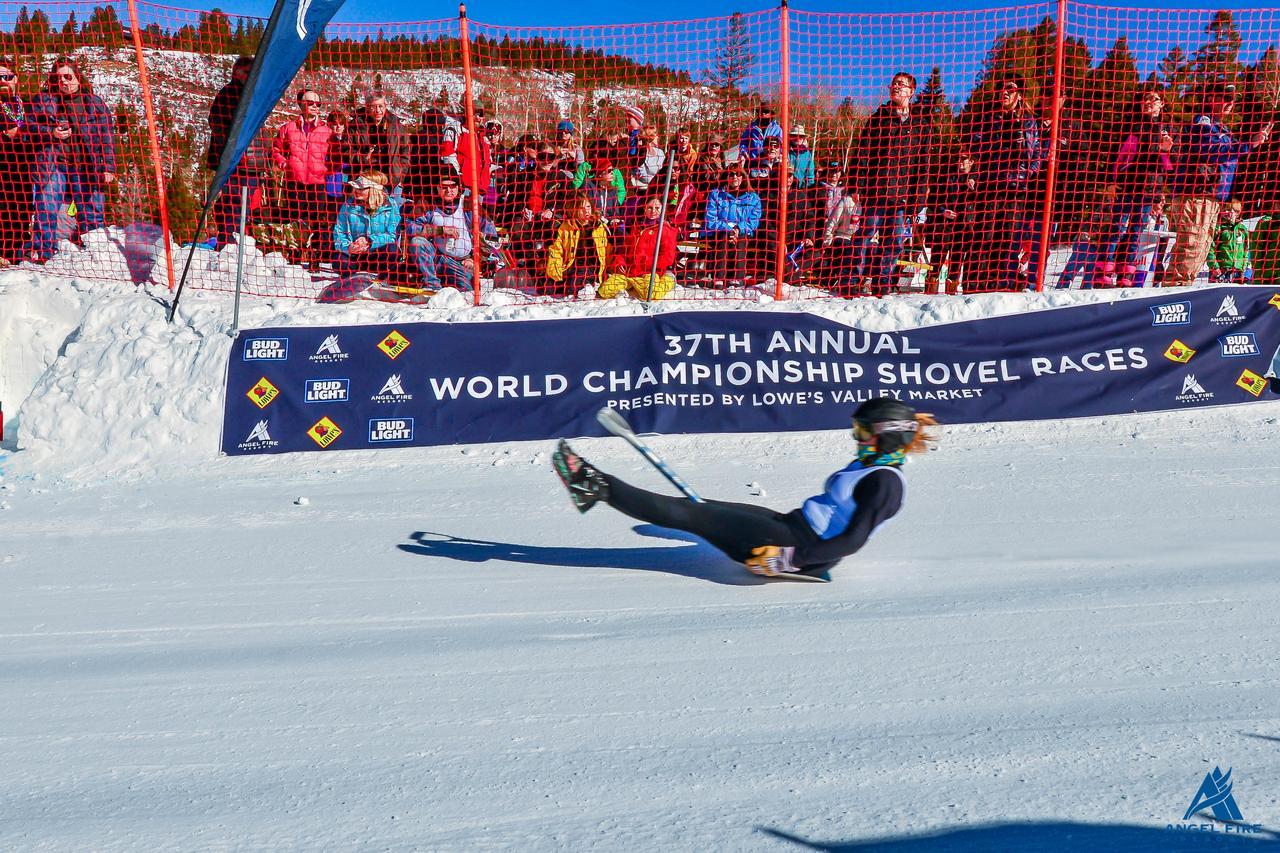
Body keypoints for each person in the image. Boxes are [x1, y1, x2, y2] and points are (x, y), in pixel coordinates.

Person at [551, 399, 938, 580]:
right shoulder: (871, 466)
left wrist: (791, 558)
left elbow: (854, 540)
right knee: (702, 507)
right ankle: (595, 487)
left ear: (886, 436)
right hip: (790, 526)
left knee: (692, 514)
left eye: (863, 432)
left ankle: (595, 486)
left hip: (799, 548)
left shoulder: (885, 482)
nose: (857, 439)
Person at [1168, 81, 1272, 286]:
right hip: (1196, 193)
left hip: (1212, 197)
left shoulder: (1223, 129)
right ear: (1209, 99)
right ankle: (1173, 294)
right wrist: (1248, 144)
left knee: (1202, 246)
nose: (1229, 103)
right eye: (1223, 97)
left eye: (1231, 99)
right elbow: (1210, 150)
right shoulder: (1203, 123)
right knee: (1191, 245)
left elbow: (1230, 162)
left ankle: (1181, 290)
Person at [963, 72, 1049, 292]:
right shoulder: (989, 119)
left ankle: (1004, 286)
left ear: (1019, 94)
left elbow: (1036, 153)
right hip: (990, 186)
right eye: (1002, 88)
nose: (1005, 92)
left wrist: (1029, 172)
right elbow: (975, 148)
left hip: (1016, 190)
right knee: (984, 239)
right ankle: (974, 286)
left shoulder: (1029, 121)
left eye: (1010, 88)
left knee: (1009, 239)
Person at [850, 72, 933, 293]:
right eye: (894, 83)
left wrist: (918, 199)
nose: (895, 87)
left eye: (901, 84)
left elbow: (922, 164)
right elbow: (862, 153)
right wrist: (855, 184)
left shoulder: (921, 125)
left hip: (901, 195)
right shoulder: (878, 118)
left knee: (895, 242)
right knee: (865, 234)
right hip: (875, 190)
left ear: (911, 91)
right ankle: (851, 280)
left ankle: (882, 282)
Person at [29, 56, 116, 262]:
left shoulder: (94, 104)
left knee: (92, 211)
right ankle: (44, 255)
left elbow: (107, 136)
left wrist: (109, 167)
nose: (64, 82)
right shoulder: (42, 101)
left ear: (78, 77)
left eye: (68, 76)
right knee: (46, 209)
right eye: (59, 78)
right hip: (53, 165)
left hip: (86, 166)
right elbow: (30, 128)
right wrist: (51, 132)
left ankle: (93, 256)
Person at [1096, 83, 1174, 289]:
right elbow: (1115, 155)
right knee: (1116, 227)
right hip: (1125, 185)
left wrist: (1165, 150)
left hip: (1148, 189)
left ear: (1162, 104)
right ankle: (1104, 272)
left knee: (1136, 231)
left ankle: (1126, 274)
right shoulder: (1129, 125)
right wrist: (1110, 182)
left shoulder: (1167, 129)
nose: (1149, 102)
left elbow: (1168, 166)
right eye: (1146, 99)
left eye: (1154, 99)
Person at [407, 172, 496, 292]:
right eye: (444, 187)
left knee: (468, 290)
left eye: (453, 186)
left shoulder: (469, 205)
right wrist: (439, 230)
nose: (449, 190)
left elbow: (490, 235)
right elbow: (410, 227)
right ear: (437, 188)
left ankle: (447, 281)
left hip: (461, 262)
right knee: (417, 242)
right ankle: (432, 284)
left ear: (459, 187)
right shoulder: (427, 205)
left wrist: (476, 258)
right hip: (437, 258)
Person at [205, 55, 254, 246]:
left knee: (243, 204)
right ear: (237, 72)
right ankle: (229, 240)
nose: (250, 76)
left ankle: (234, 239)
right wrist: (231, 144)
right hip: (232, 160)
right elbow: (215, 122)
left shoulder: (251, 94)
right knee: (234, 202)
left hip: (248, 161)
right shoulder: (229, 93)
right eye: (247, 72)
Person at [271, 89, 332, 235]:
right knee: (295, 221)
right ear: (301, 104)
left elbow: (334, 154)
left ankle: (317, 254)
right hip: (294, 182)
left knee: (318, 221)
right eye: (311, 103)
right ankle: (296, 254)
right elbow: (276, 150)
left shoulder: (327, 130)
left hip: (318, 182)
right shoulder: (288, 128)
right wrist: (285, 164)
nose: (315, 107)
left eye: (318, 104)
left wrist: (327, 169)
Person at [599, 193, 678, 300]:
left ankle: (668, 280)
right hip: (629, 272)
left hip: (648, 273)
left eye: (657, 208)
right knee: (604, 291)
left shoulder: (665, 230)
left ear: (663, 209)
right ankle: (632, 287)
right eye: (649, 208)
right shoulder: (636, 225)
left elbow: (667, 258)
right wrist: (619, 262)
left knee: (652, 295)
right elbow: (624, 249)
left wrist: (645, 264)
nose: (653, 211)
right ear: (644, 208)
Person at [333, 171, 402, 279]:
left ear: (373, 189)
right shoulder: (348, 205)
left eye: (361, 188)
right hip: (355, 256)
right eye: (356, 187)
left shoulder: (391, 205)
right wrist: (349, 247)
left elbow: (391, 236)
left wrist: (369, 241)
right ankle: (351, 280)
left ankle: (383, 278)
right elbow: (339, 234)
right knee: (339, 260)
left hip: (376, 255)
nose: (356, 191)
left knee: (393, 250)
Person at [0, 56, 34, 266]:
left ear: (16, 79)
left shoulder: (26, 104)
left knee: (22, 212)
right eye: (0, 77)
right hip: (2, 169)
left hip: (24, 170)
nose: (4, 80)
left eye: (8, 76)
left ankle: (16, 254)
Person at [702, 166, 761, 286]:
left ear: (743, 178)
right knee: (724, 237)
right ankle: (718, 277)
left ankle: (737, 277)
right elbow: (710, 218)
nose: (735, 177)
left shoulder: (753, 198)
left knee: (741, 240)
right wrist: (729, 228)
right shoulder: (716, 194)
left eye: (738, 174)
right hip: (719, 231)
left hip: (743, 232)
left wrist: (739, 228)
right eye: (732, 174)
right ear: (727, 177)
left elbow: (754, 220)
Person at [545, 190, 608, 294]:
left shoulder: (598, 226)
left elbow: (606, 249)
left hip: (591, 267)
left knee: (573, 287)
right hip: (571, 265)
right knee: (547, 288)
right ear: (573, 210)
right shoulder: (566, 227)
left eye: (588, 207)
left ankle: (589, 285)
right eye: (581, 208)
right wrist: (555, 271)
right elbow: (556, 250)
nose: (586, 211)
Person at [349, 90, 408, 190]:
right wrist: (363, 158)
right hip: (363, 177)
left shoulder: (396, 125)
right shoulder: (355, 125)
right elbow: (346, 151)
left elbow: (406, 151)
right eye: (373, 107)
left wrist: (398, 172)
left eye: (380, 106)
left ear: (385, 106)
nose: (378, 111)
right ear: (367, 107)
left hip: (388, 179)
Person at [1208, 198, 1251, 283]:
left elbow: (1246, 250)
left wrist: (1243, 268)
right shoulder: (1218, 227)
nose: (1226, 212)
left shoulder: (1242, 230)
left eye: (1229, 210)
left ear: (1237, 213)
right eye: (1225, 210)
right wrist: (1214, 266)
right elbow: (1209, 248)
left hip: (1237, 271)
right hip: (1220, 270)